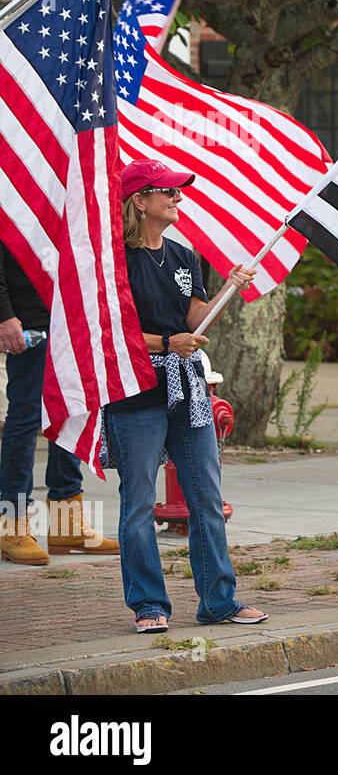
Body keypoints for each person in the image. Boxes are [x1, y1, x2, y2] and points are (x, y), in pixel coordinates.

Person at [103, 158, 265, 633]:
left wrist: (226, 292)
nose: (178, 198)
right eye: (168, 191)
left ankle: (219, 601)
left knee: (206, 498)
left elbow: (194, 318)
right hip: (136, 390)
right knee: (138, 501)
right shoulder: (113, 257)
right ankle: (149, 605)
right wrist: (166, 343)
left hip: (187, 386)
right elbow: (112, 330)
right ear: (140, 200)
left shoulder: (182, 255)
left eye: (178, 191)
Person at [1, 244, 118, 564]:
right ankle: (12, 525)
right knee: (25, 420)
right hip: (27, 322)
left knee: (73, 415)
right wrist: (4, 315)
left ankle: (68, 526)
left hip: (72, 319)